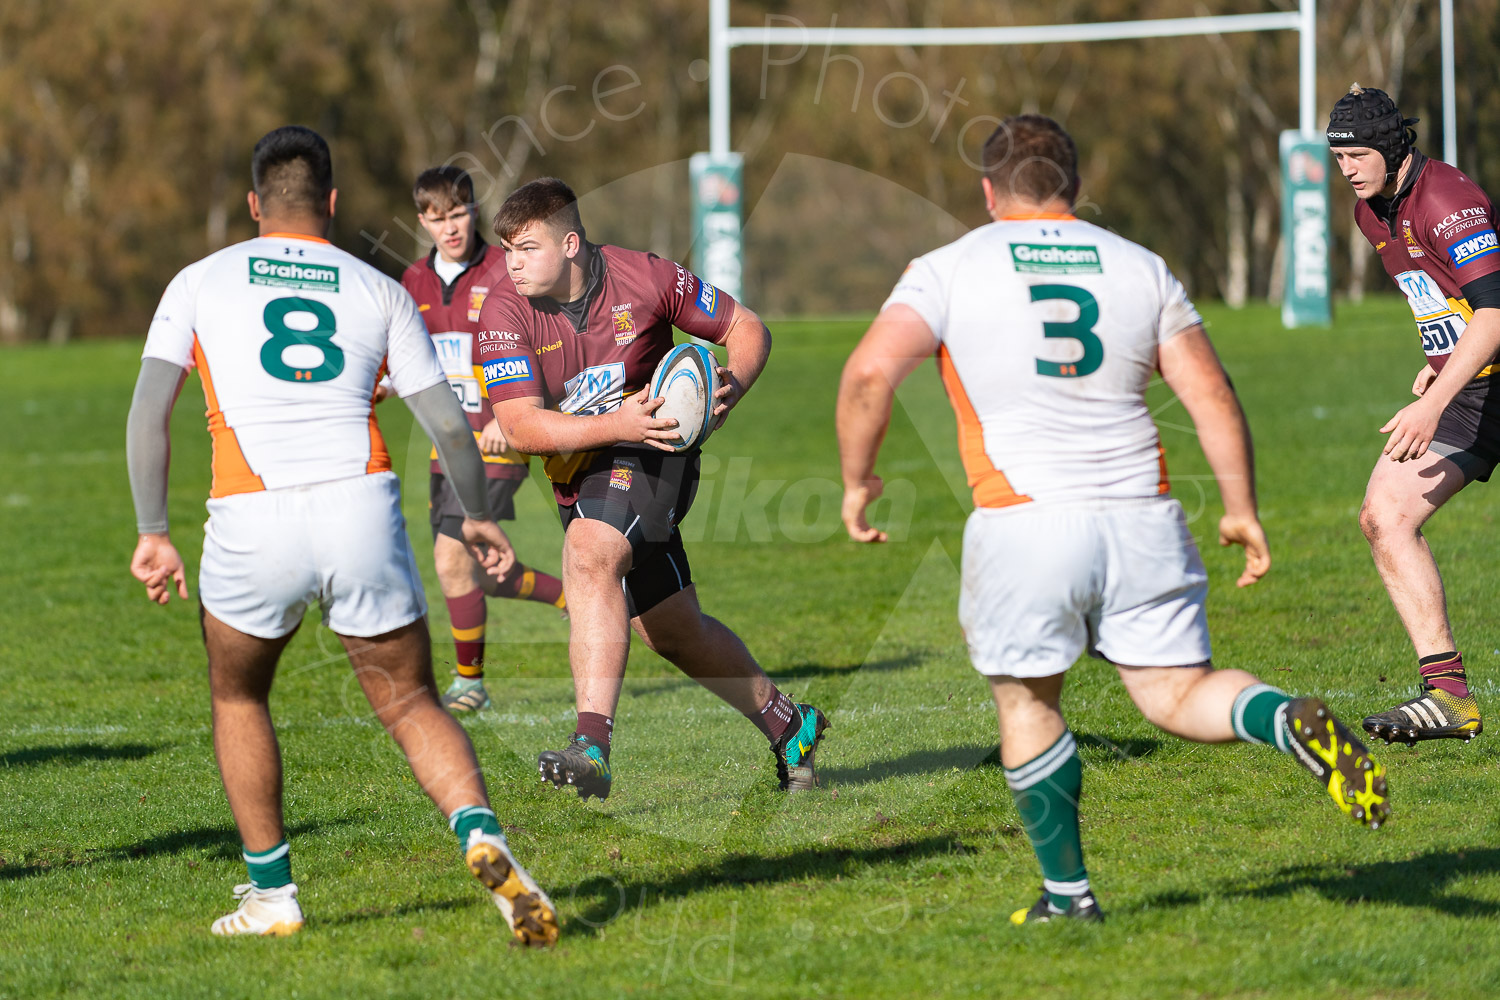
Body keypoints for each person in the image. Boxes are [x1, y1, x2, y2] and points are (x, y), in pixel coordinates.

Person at [836, 114, 1390, 925]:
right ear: (1077, 188)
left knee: (1028, 705)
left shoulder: (947, 268)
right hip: (1143, 517)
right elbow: (1209, 393)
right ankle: (1283, 717)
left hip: (1024, 520)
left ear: (989, 193)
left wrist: (858, 480)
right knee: (1175, 694)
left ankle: (1069, 896)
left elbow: (869, 375)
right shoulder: (1140, 267)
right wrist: (1240, 509)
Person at [125, 126, 557, 946]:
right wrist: (475, 516)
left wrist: (155, 530)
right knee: (410, 699)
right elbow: (451, 429)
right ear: (330, 203)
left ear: (254, 204)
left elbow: (149, 413)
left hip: (252, 513)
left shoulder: (198, 281)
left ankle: (274, 896)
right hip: (360, 507)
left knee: (238, 694)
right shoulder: (380, 289)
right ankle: (481, 836)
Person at [476, 177, 827, 801]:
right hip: (583, 463)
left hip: (655, 450)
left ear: (572, 244)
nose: (513, 265)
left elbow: (748, 328)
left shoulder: (650, 277)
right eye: (506, 251)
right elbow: (521, 426)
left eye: (527, 248)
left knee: (590, 553)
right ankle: (789, 724)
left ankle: (592, 746)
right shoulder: (504, 310)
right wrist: (616, 421)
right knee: (670, 629)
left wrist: (732, 388)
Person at [1326, 84, 1500, 744]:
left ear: (1392, 147)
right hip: (1476, 387)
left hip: (1477, 380)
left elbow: (1494, 311)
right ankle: (1449, 697)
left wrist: (1432, 401)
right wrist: (1440, 362)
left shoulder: (1447, 200)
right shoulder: (1372, 213)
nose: (1346, 169)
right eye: (1338, 157)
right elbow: (1449, 301)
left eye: (1356, 155)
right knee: (1384, 516)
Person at [399, 165, 566, 714]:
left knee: (452, 555)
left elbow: (548, 338)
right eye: (436, 216)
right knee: (482, 572)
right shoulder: (411, 283)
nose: (449, 227)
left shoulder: (505, 269)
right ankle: (575, 595)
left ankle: (468, 684)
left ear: (473, 210)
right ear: (421, 219)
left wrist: (514, 408)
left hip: (499, 439)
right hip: (444, 444)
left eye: (458, 213)